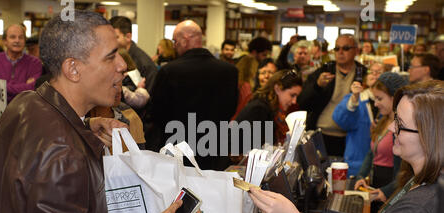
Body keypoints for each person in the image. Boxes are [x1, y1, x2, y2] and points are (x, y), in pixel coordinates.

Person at [0, 10, 201, 213]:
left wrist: (85, 126)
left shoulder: (25, 103)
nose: (122, 66)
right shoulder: (63, 151)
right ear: (73, 68)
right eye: (110, 56)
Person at [249, 80, 444, 213]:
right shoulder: (424, 185)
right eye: (395, 119)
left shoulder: (421, 208)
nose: (392, 128)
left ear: (429, 136)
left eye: (401, 124)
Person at [144, 20, 238, 171]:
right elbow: (231, 108)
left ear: (185, 39)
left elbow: (157, 112)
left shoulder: (169, 71)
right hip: (214, 148)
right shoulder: (229, 71)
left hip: (178, 150)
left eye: (175, 41)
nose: (174, 45)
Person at [297, 34, 367, 157]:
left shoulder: (363, 74)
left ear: (356, 51)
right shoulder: (324, 71)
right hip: (321, 135)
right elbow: (302, 102)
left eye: (345, 48)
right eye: (337, 48)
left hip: (351, 137)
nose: (340, 52)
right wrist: (317, 86)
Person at [353, 72, 408, 213]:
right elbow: (372, 153)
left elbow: (405, 173)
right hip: (377, 190)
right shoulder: (382, 121)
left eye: (380, 98)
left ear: (394, 97)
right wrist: (361, 176)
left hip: (390, 193)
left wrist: (386, 191)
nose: (375, 103)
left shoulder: (403, 128)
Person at [332, 61, 383, 177]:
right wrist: (354, 100)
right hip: (357, 165)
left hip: (382, 165)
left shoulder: (390, 102)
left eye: (379, 72)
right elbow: (340, 120)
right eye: (371, 72)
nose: (374, 75)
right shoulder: (355, 98)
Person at [234, 69, 302, 153]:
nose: (294, 101)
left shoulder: (271, 108)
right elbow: (255, 150)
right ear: (277, 89)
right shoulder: (260, 110)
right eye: (292, 95)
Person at [0, 24, 42, 103]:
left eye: (21, 37)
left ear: (25, 41)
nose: (17, 40)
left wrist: (1, 87)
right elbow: (26, 90)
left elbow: (32, 88)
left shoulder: (35, 63)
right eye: (13, 37)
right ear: (4, 41)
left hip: (25, 110)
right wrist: (23, 86)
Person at [110, 16, 158, 92]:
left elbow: (150, 97)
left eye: (116, 37)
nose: (110, 41)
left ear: (128, 37)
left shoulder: (144, 63)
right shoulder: (111, 57)